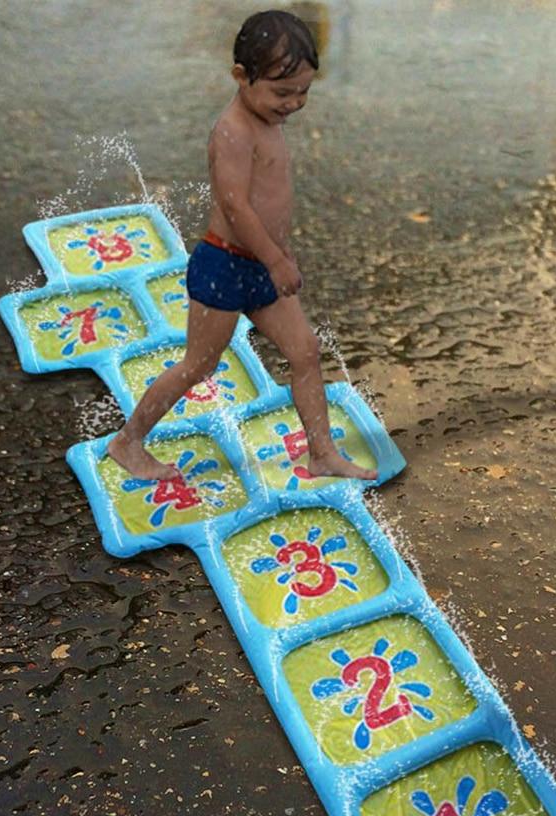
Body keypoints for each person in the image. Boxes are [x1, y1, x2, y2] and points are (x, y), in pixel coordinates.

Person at [107, 9, 377, 484]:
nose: (293, 104)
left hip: (262, 267)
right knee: (199, 364)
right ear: (240, 76)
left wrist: (280, 252)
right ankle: (128, 441)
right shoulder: (233, 130)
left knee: (306, 353)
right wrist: (275, 259)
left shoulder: (268, 120)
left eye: (303, 93)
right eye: (281, 91)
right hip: (225, 266)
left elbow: (269, 202)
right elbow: (237, 210)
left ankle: (322, 453)